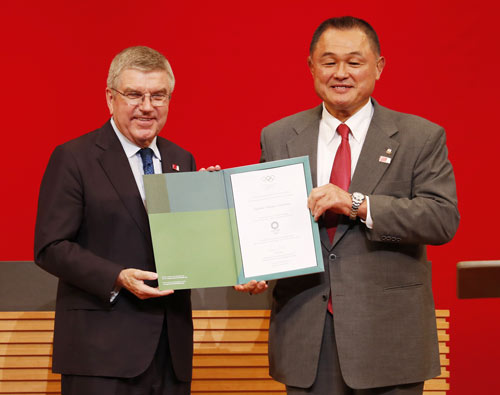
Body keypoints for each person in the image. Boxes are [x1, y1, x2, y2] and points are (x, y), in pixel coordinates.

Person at [235, 16, 459, 394]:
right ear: (311, 67)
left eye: (354, 62)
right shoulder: (278, 137)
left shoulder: (420, 136)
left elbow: (441, 218)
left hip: (388, 339)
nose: (341, 73)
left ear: (378, 67)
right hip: (306, 336)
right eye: (329, 61)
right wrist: (255, 265)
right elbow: (268, 220)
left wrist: (357, 203)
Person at [34, 46, 195, 394]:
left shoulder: (182, 159)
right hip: (100, 355)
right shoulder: (74, 158)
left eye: (159, 95)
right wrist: (116, 277)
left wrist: (213, 209)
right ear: (110, 98)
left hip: (171, 352)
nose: (148, 106)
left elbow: (186, 247)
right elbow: (50, 246)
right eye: (135, 94)